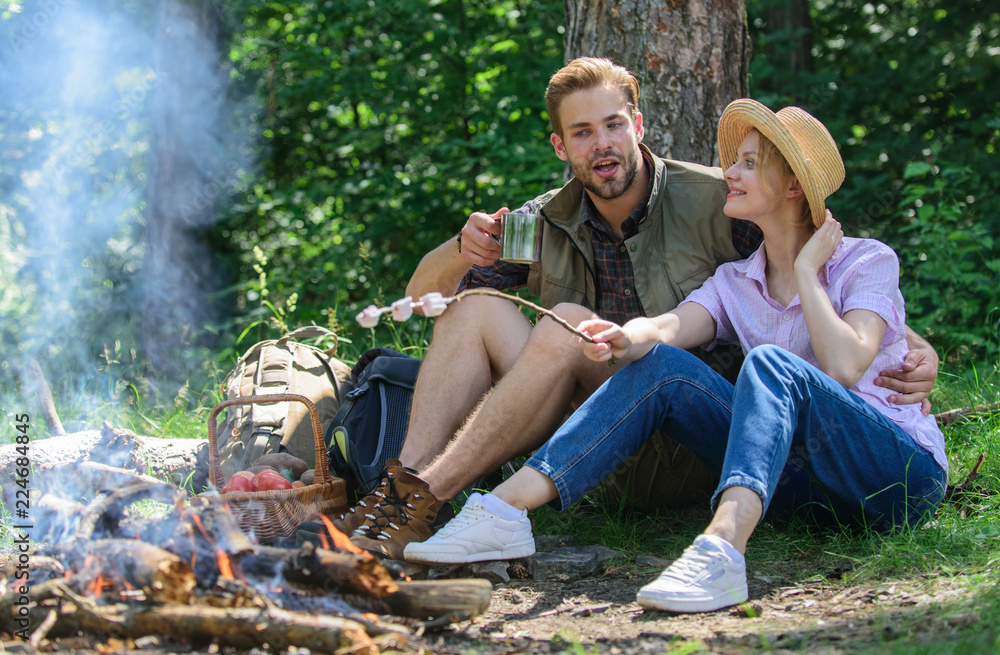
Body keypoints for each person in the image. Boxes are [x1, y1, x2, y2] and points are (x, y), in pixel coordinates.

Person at [341, 58, 940, 560]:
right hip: (587, 427)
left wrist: (911, 345)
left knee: (572, 319)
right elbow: (418, 303)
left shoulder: (716, 200)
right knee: (473, 308)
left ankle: (435, 503)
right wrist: (458, 248)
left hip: (697, 432)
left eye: (613, 125)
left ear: (638, 125)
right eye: (581, 132)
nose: (601, 144)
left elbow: (820, 257)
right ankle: (402, 503)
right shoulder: (538, 224)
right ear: (560, 145)